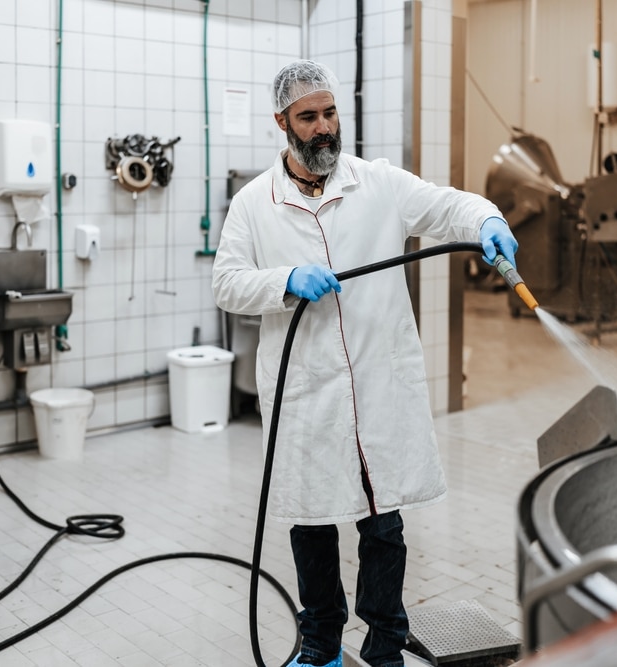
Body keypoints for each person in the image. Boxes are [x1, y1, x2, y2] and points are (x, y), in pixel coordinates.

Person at [211, 60, 518, 667]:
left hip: (378, 388)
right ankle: (321, 644)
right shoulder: (254, 205)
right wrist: (285, 281)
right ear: (282, 123)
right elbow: (226, 284)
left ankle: (384, 648)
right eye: (308, 117)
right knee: (312, 524)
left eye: (330, 113)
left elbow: (446, 206)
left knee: (383, 526)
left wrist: (487, 219)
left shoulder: (378, 184)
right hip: (306, 393)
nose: (324, 128)